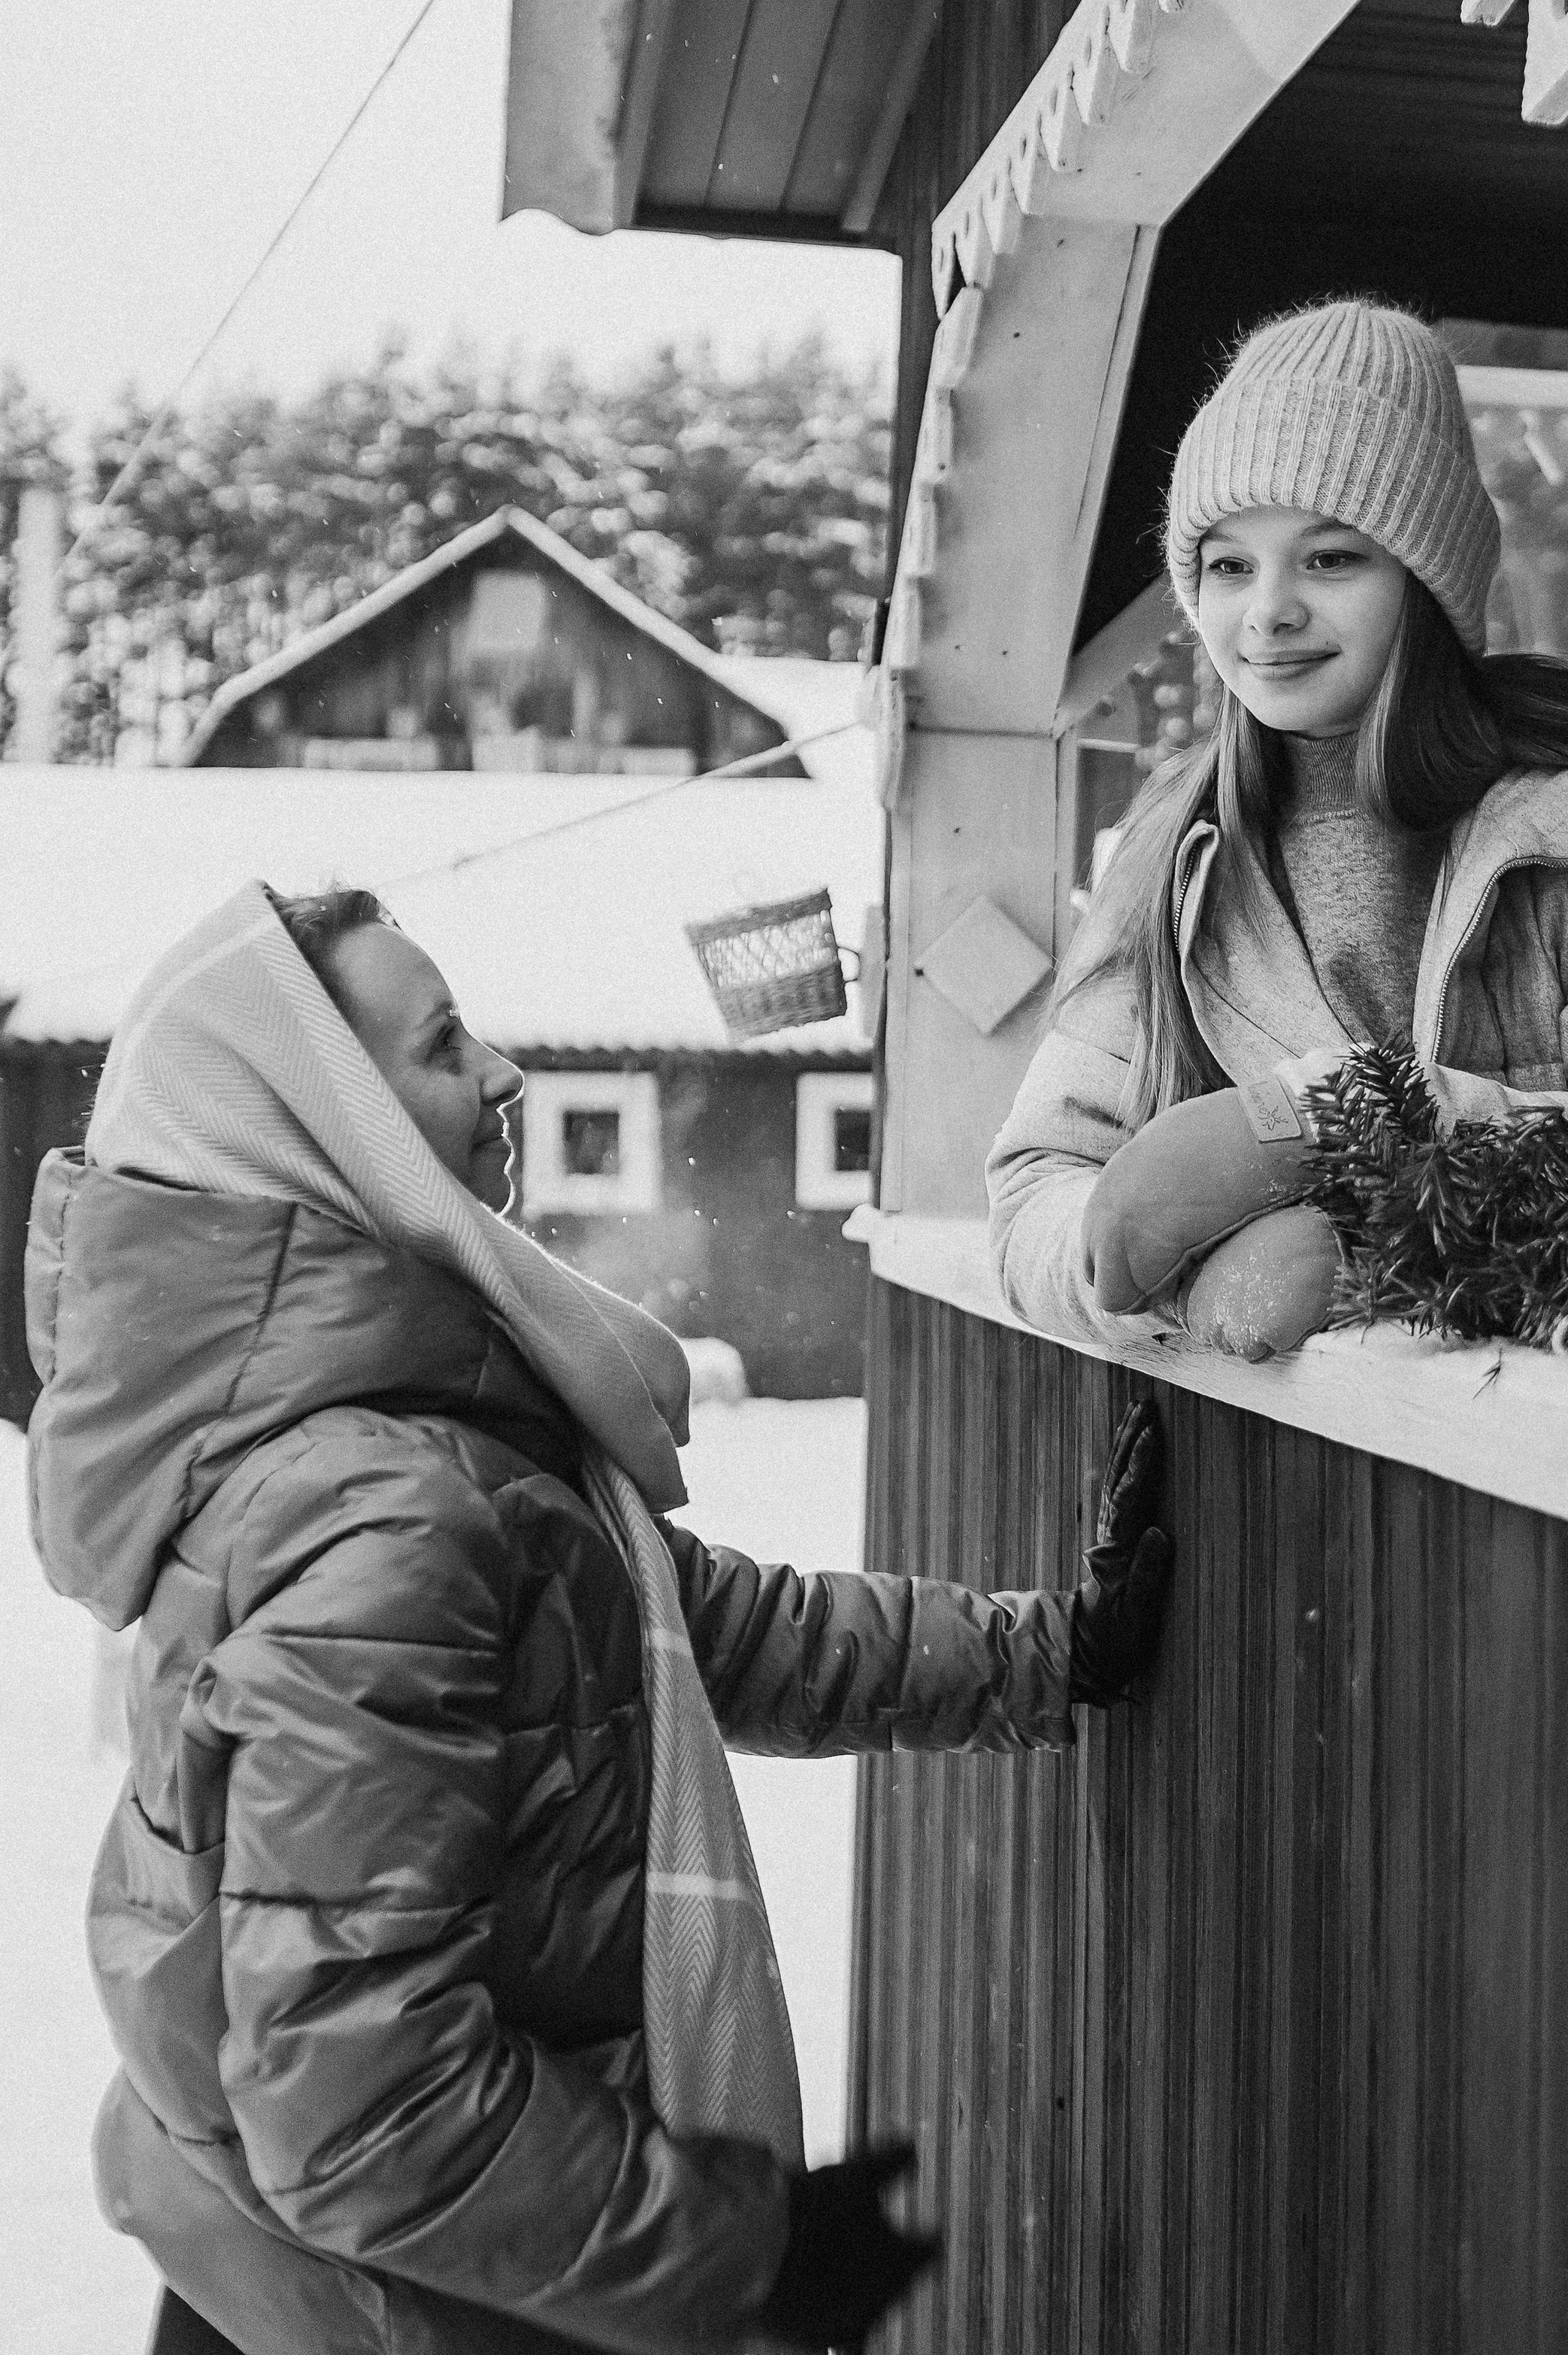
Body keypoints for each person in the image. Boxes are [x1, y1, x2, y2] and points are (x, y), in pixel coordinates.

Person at [25, 880, 1172, 2355]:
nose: (501, 1074)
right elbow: (364, 2113)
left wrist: (1050, 1653)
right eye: (441, 1048)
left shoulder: (411, 1441)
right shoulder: (375, 1516)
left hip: (354, 2283)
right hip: (404, 2310)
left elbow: (708, 1631)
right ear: (326, 1140)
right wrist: (741, 2257)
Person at [988, 296, 1568, 1361]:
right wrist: (1186, 1285)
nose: (1269, 611)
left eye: (1331, 560)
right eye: (1230, 565)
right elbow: (1036, 1185)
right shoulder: (1174, 854)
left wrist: (1325, 1128)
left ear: (1426, 584)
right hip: (1274, 1496)